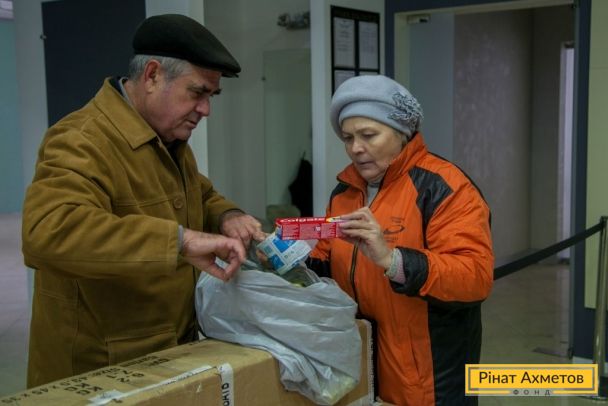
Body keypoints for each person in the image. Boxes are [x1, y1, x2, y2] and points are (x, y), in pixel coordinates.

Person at [21, 14, 265, 387]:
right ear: (152, 76)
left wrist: (227, 215)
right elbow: (49, 231)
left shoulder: (168, 138)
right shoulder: (81, 139)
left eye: (211, 96)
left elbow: (196, 193)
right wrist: (180, 241)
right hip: (100, 368)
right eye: (197, 93)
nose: (206, 110)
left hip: (167, 353)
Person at [307, 75, 494, 405]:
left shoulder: (444, 187)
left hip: (429, 381)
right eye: (348, 138)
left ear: (402, 133)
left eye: (368, 135)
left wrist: (391, 260)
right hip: (361, 371)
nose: (355, 148)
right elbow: (326, 263)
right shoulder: (345, 193)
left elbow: (474, 277)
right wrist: (284, 258)